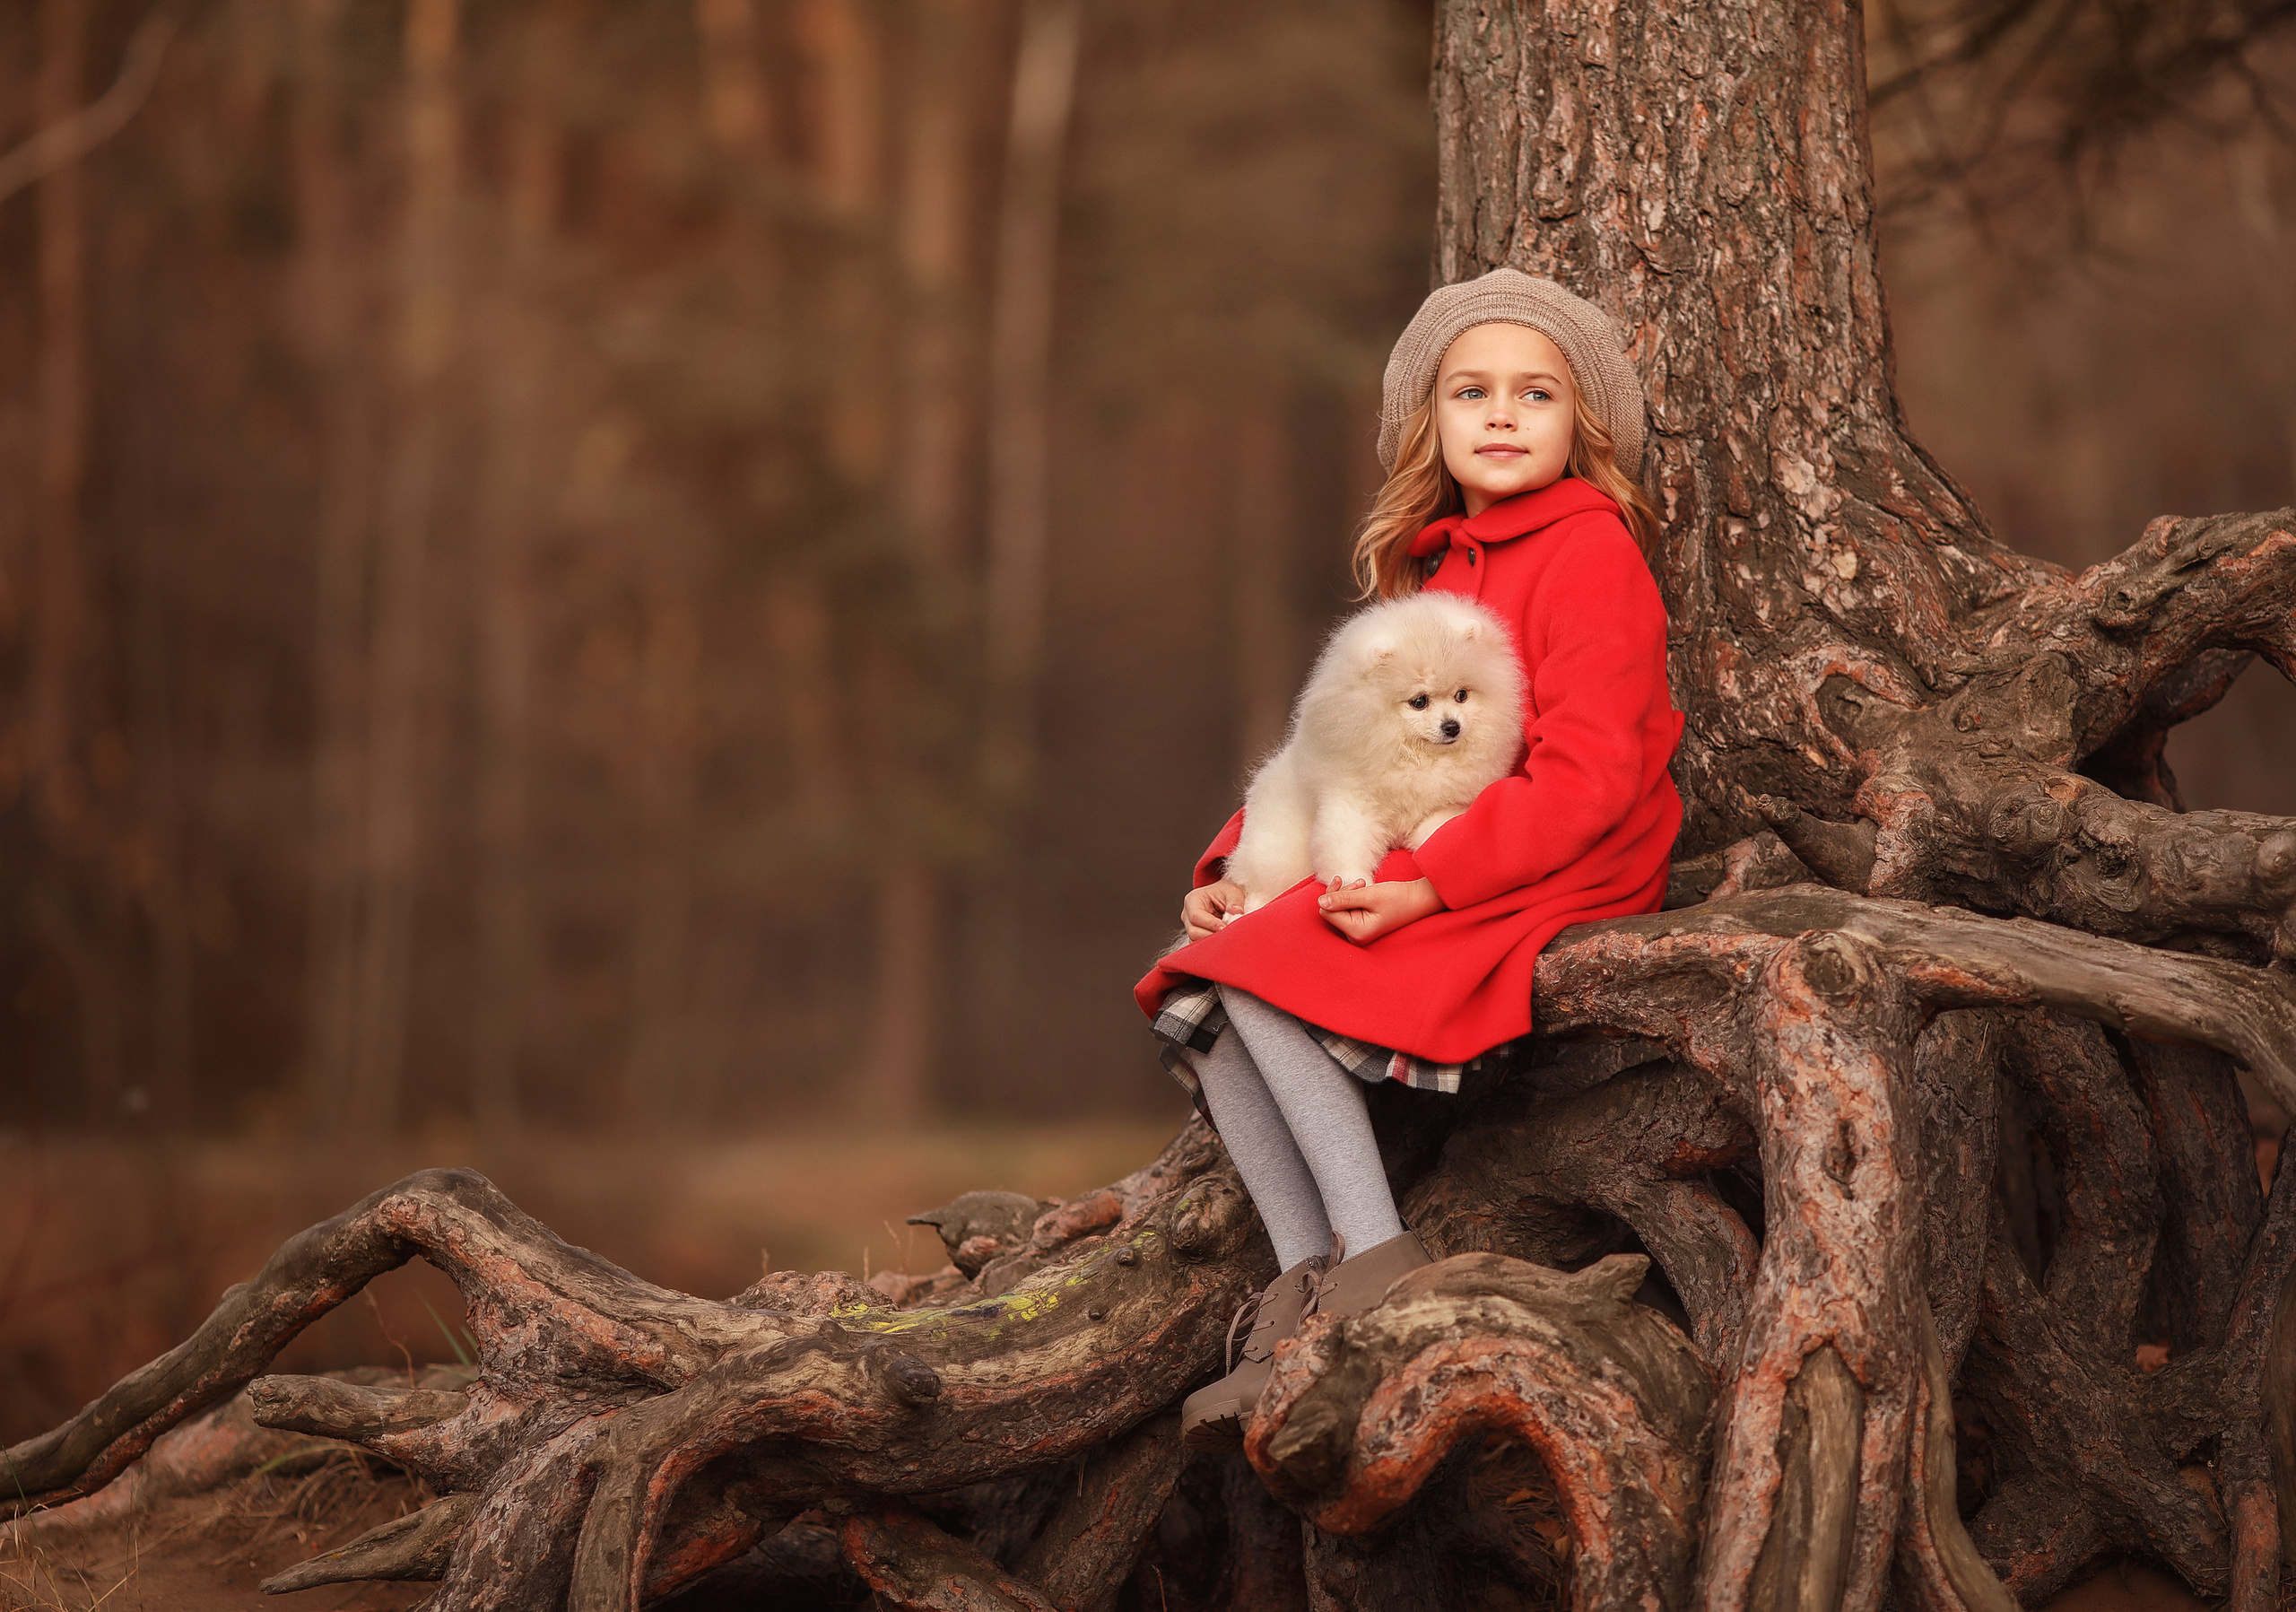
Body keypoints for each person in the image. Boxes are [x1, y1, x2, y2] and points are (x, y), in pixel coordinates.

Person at [1135, 267, 1685, 1450]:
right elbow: (1339, 744)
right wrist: (1236, 860)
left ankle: (1377, 1253)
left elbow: (1594, 772)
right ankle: (1300, 1290)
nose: (1500, 413)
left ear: (1579, 425)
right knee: (1216, 962)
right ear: (1428, 422)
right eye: (1471, 391)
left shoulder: (1590, 553)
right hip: (1436, 844)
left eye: (1535, 394)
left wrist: (1438, 881)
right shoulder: (1444, 565)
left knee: (1264, 968)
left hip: (1545, 862)